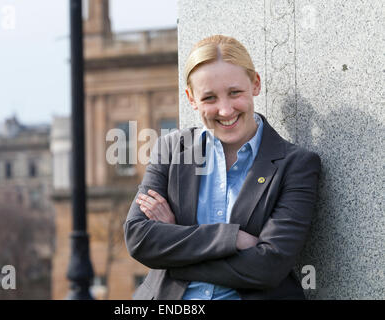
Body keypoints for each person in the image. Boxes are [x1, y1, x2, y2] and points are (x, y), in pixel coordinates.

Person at [124, 35, 321, 300]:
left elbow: (269, 267)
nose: (225, 110)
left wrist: (175, 247)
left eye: (235, 93)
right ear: (191, 99)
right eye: (209, 98)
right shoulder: (171, 150)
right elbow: (139, 238)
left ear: (255, 84)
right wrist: (231, 238)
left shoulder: (296, 165)